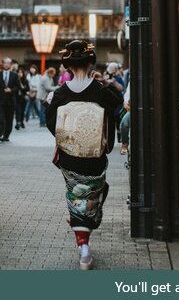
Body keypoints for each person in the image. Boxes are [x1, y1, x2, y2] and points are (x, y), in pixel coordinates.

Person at [45, 40, 123, 270]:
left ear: (67, 66)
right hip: (94, 156)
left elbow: (53, 126)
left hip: (70, 156)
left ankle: (84, 247)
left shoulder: (58, 94)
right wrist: (103, 83)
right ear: (91, 62)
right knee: (91, 195)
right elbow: (116, 106)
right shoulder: (100, 90)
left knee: (75, 196)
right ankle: (86, 244)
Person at [0, 57, 19, 142]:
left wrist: (11, 90)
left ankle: (6, 135)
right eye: (5, 63)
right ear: (3, 64)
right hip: (0, 100)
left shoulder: (14, 75)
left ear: (10, 64)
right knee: (0, 118)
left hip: (10, 100)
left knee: (9, 119)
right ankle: (1, 134)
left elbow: (18, 87)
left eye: (8, 63)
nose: (6, 64)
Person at [119, 83, 130, 155]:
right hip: (131, 109)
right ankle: (125, 143)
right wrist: (125, 103)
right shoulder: (131, 82)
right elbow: (127, 94)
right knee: (124, 122)